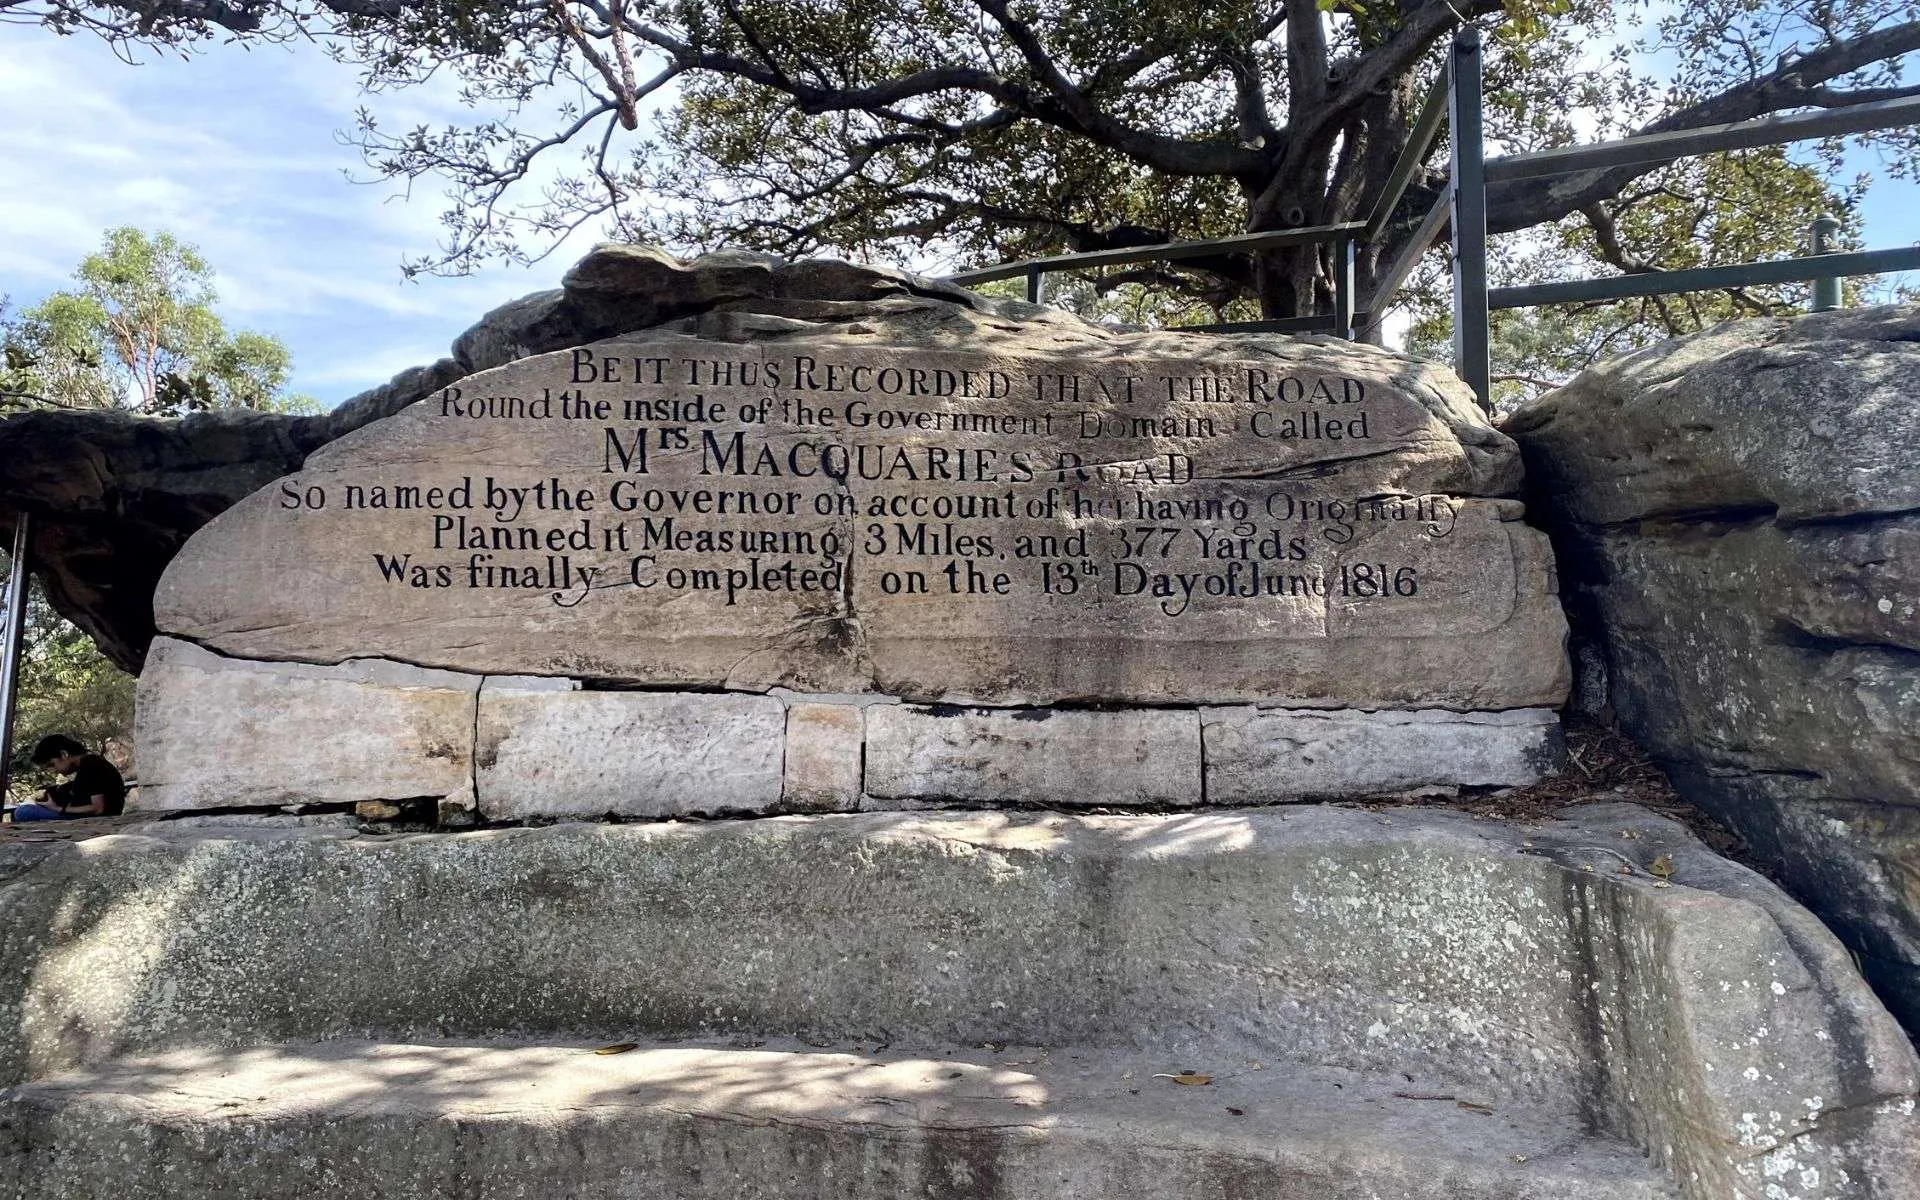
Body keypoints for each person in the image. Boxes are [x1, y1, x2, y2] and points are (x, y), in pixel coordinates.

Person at [10, 735, 125, 822]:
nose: (53, 770)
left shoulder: (91, 766)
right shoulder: (88, 765)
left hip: (99, 818)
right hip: (95, 815)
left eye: (52, 765)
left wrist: (59, 809)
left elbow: (98, 808)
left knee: (23, 812)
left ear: (64, 754)